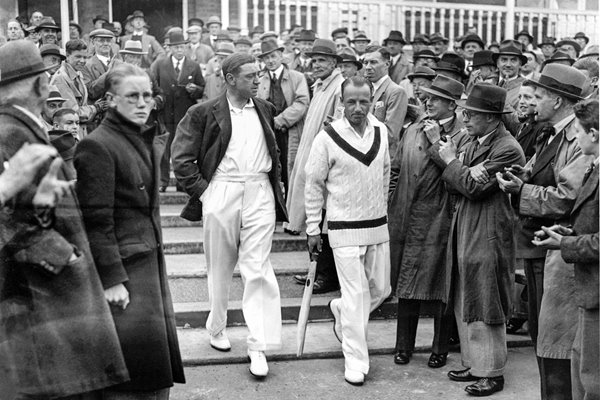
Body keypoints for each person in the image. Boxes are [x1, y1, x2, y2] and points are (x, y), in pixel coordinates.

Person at [0, 39, 128, 400]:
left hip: (44, 288)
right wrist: (63, 254)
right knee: (56, 383)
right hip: (42, 290)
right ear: (41, 84)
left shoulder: (18, 125)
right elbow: (10, 218)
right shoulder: (11, 132)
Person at [171, 53, 287, 378]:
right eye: (250, 76)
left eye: (259, 74)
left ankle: (259, 345)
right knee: (219, 265)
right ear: (230, 79)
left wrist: (276, 187)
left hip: (259, 191)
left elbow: (275, 152)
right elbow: (181, 160)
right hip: (221, 190)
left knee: (258, 267)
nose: (258, 80)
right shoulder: (203, 112)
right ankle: (217, 327)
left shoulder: (265, 109)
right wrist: (207, 193)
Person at [74, 63, 185, 399]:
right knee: (131, 372)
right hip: (126, 272)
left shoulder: (138, 139)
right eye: (132, 96)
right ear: (110, 100)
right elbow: (97, 219)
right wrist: (112, 279)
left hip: (148, 264)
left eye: (147, 96)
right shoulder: (98, 146)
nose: (142, 103)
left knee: (153, 369)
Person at [497, 64, 590, 399]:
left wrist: (522, 192)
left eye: (539, 96)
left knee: (557, 341)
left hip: (561, 256)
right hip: (541, 249)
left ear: (558, 100)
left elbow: (568, 197)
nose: (532, 103)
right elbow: (549, 176)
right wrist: (525, 176)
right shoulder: (549, 132)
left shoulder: (580, 138)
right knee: (542, 335)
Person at [440, 83, 525, 397]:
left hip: (488, 230)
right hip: (467, 225)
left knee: (487, 297)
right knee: (467, 294)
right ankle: (475, 363)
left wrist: (453, 163)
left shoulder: (507, 148)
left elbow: (473, 188)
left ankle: (492, 372)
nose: (465, 117)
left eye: (471, 113)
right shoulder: (476, 140)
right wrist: (463, 171)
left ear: (491, 117)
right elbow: (457, 185)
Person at [305, 76, 391, 386]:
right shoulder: (326, 137)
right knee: (356, 295)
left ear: (372, 101)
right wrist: (313, 227)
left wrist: (381, 212)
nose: (357, 107)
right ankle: (355, 359)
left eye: (363, 101)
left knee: (380, 290)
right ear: (342, 103)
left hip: (376, 224)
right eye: (351, 102)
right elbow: (313, 184)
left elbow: (384, 176)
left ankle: (339, 309)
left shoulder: (381, 131)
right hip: (342, 228)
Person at [389, 75, 469, 369]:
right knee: (407, 283)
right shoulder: (413, 129)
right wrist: (392, 202)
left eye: (435, 98)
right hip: (409, 215)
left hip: (442, 216)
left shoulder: (463, 134)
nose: (427, 102)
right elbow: (396, 168)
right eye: (426, 97)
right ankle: (403, 347)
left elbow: (456, 172)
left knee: (441, 286)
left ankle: (440, 348)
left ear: (452, 104)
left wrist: (437, 141)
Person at [532, 98, 599, 400]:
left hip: (596, 288)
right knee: (582, 369)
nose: (576, 137)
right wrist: (570, 232)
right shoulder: (593, 168)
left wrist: (565, 243)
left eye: (578, 131)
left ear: (594, 133)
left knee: (593, 379)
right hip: (590, 288)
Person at [287, 39, 344, 293]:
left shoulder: (339, 87)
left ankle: (325, 276)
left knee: (324, 221)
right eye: (314, 60)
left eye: (322, 60)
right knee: (315, 217)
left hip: (327, 164)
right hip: (312, 158)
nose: (316, 64)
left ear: (334, 63)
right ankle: (316, 270)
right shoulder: (320, 86)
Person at [150, 30, 205, 192]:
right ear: (169, 48)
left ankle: (182, 183)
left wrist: (195, 89)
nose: (179, 50)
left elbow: (202, 89)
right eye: (176, 48)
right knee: (164, 147)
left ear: (186, 47)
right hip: (164, 113)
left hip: (185, 115)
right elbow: (153, 86)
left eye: (182, 47)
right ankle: (163, 181)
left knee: (182, 150)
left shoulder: (193, 66)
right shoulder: (160, 65)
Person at [257, 39, 309, 196]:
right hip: (267, 131)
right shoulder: (260, 79)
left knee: (291, 168)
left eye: (273, 56)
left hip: (290, 132)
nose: (270, 61)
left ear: (281, 55)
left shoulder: (297, 77)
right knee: (269, 168)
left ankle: (290, 211)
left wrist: (280, 120)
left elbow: (302, 103)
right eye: (266, 58)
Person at [51, 39, 106, 137]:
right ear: (67, 56)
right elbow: (72, 113)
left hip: (79, 133)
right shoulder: (61, 78)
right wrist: (96, 108)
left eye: (85, 57)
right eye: (78, 57)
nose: (82, 61)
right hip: (67, 135)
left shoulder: (78, 73)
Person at [362, 45, 408, 159]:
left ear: (387, 64)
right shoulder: (364, 89)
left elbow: (390, 135)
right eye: (365, 62)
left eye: (373, 62)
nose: (368, 67)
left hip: (382, 158)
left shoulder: (396, 92)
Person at [493, 42, 527, 109]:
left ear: (520, 64)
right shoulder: (488, 83)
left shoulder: (525, 87)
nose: (508, 64)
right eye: (504, 60)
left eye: (513, 60)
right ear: (497, 63)